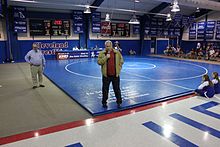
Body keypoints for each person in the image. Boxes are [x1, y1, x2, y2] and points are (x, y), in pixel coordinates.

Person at [97, 40, 124, 108]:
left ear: (111, 46)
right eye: (106, 46)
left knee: (117, 89)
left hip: (115, 75)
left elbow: (121, 60)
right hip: (106, 76)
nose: (108, 47)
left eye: (109, 46)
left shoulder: (117, 53)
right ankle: (104, 102)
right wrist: (106, 57)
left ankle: (119, 102)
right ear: (105, 46)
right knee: (105, 90)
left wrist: (119, 69)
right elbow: (99, 62)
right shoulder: (102, 53)